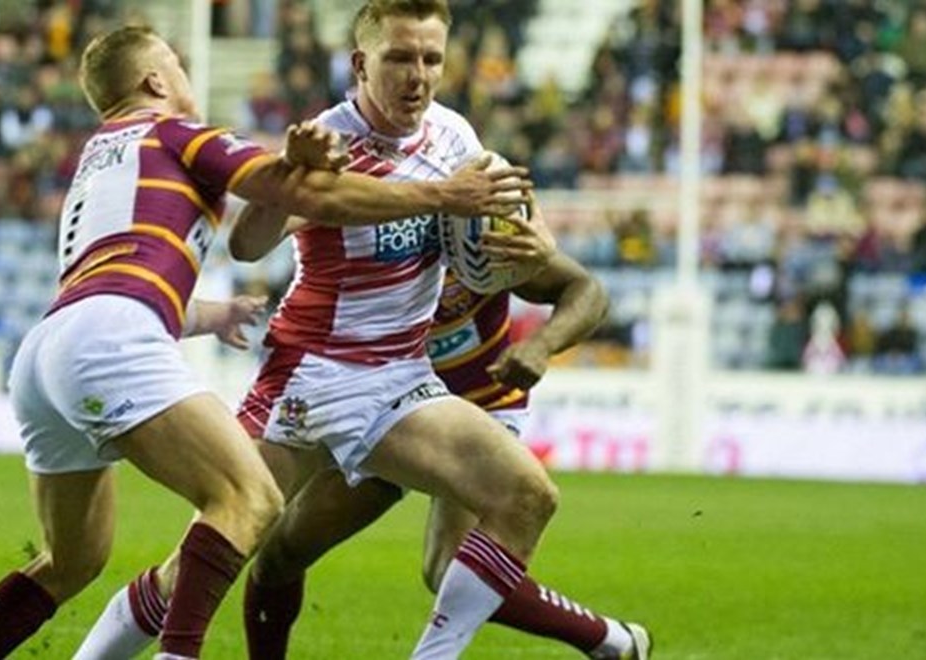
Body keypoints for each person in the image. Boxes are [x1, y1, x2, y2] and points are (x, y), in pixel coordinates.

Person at [73, 2, 647, 658]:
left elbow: (519, 243)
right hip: (308, 376)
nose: (417, 75)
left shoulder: (454, 138)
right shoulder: (329, 139)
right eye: (399, 57)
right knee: (210, 555)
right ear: (360, 64)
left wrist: (530, 246)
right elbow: (248, 245)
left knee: (526, 493)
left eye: (431, 59)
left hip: (398, 381)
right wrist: (286, 178)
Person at [0, 23, 530, 660]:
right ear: (155, 81)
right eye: (177, 64)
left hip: (48, 349)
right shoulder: (176, 132)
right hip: (111, 340)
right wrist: (434, 193)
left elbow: (122, 277)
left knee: (70, 561)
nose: (184, 75)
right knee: (249, 498)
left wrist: (212, 314)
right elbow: (291, 195)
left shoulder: (100, 154)